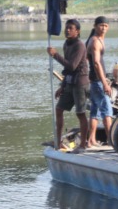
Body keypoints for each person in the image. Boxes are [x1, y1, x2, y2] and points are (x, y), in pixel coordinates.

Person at [47, 19, 89, 153]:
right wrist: (62, 86)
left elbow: (72, 65)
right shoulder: (67, 44)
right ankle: (58, 141)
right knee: (59, 109)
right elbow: (68, 69)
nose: (67, 30)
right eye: (66, 28)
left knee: (80, 113)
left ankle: (83, 144)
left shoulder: (80, 45)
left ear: (77, 31)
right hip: (70, 82)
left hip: (80, 83)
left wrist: (55, 55)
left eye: (71, 28)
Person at [85, 16, 113, 147]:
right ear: (95, 26)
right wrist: (105, 83)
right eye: (101, 25)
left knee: (94, 112)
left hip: (95, 80)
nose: (103, 28)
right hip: (97, 81)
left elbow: (87, 59)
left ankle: (91, 140)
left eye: (106, 26)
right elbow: (96, 63)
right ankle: (113, 142)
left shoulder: (98, 40)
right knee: (107, 112)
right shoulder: (95, 41)